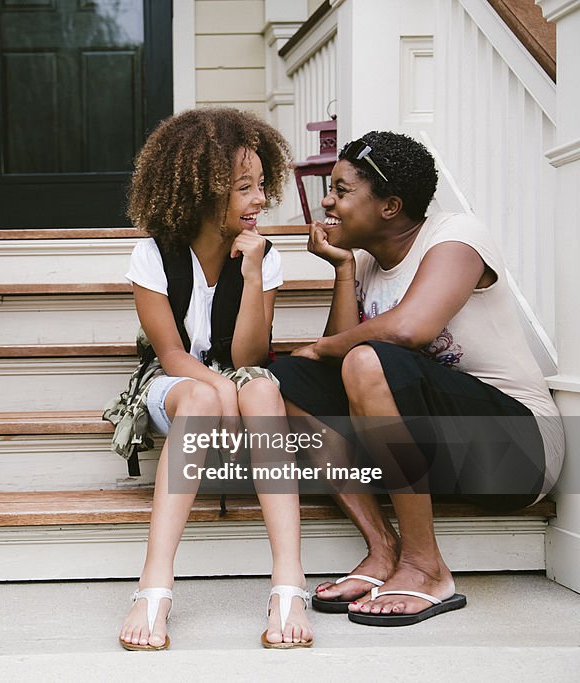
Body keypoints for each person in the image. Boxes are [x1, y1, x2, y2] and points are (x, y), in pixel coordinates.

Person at [270, 131, 564, 626]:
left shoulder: (456, 237)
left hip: (518, 451)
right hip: (444, 454)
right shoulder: (365, 262)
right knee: (290, 379)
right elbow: (330, 369)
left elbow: (410, 329)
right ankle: (383, 549)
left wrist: (324, 346)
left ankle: (426, 567)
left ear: (390, 206)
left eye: (342, 190)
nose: (327, 200)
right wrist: (343, 270)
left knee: (364, 359)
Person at [110, 108, 312, 650]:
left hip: (238, 374)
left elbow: (250, 354)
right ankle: (154, 584)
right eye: (244, 187)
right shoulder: (153, 254)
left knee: (265, 387)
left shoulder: (261, 257)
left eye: (262, 185)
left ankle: (288, 583)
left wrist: (250, 274)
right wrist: (219, 388)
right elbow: (171, 353)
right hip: (174, 382)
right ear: (203, 191)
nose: (259, 200)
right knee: (201, 396)